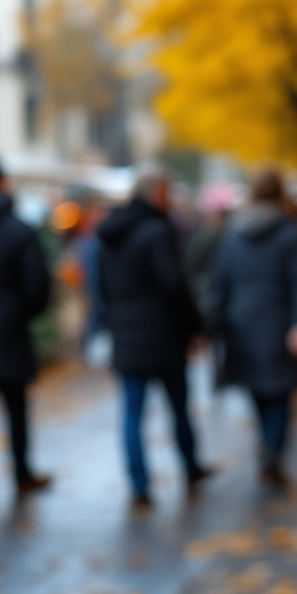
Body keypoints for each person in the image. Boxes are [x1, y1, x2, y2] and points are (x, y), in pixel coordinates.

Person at [97, 163, 213, 507]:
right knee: (178, 405)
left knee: (133, 411)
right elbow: (173, 284)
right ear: (156, 192)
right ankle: (189, 466)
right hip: (162, 334)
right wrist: (194, 328)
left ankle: (139, 483)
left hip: (126, 333)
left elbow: (101, 285)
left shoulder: (110, 233)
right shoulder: (157, 230)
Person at [212, 168, 297, 488]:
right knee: (281, 393)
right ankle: (273, 451)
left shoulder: (233, 232)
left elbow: (220, 282)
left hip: (241, 322)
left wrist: (216, 324)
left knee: (258, 390)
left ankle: (266, 448)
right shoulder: (291, 231)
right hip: (279, 320)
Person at [0, 157, 52, 505]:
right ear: (1, 182)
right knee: (16, 409)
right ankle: (21, 473)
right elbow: (37, 286)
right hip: (8, 331)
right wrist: (22, 313)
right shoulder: (18, 229)